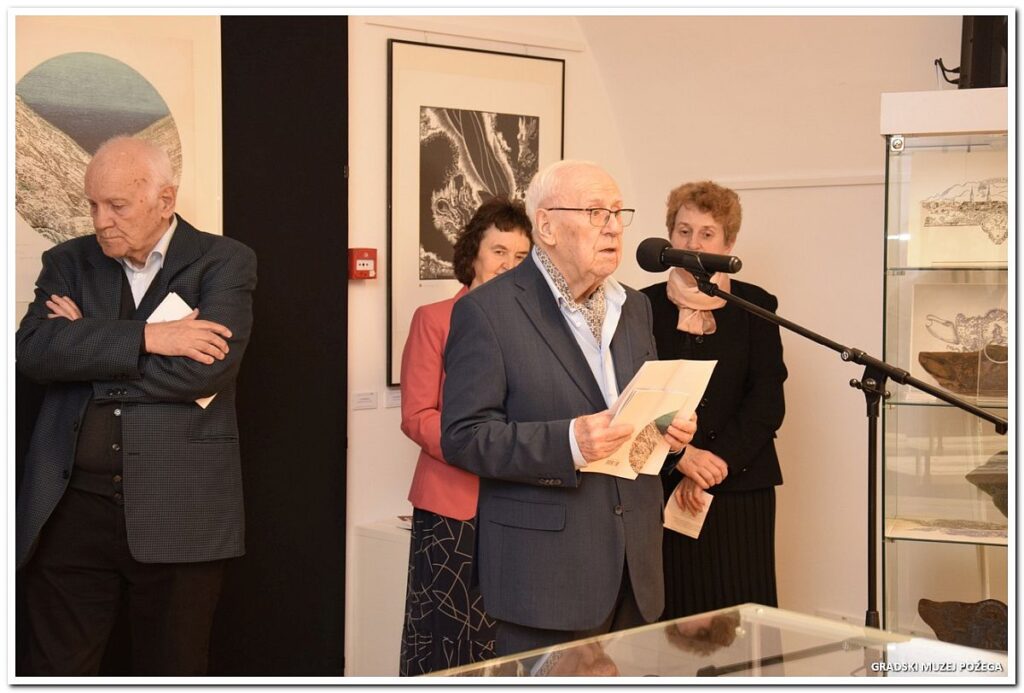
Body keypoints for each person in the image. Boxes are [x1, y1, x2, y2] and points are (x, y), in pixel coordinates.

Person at [15, 136, 257, 675]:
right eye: (93, 205)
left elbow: (206, 371)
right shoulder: (68, 262)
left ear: (165, 200)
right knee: (56, 671)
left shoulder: (224, 261)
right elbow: (32, 353)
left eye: (117, 205)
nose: (101, 221)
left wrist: (85, 348)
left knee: (172, 670)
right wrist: (151, 338)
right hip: (69, 511)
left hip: (180, 511)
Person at [440, 160, 697, 657]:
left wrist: (669, 434)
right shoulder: (487, 311)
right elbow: (464, 436)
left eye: (618, 213)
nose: (614, 227)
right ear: (547, 226)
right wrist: (568, 444)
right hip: (545, 575)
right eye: (596, 212)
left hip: (635, 567)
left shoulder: (634, 307)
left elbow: (635, 414)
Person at [640, 180, 786, 619]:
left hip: (740, 488)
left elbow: (767, 402)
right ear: (670, 237)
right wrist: (681, 458)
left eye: (707, 233)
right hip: (663, 487)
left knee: (742, 625)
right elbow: (634, 397)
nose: (693, 244)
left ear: (728, 243)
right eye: (683, 231)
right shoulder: (638, 308)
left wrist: (714, 463)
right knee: (671, 621)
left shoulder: (757, 306)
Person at [399, 197, 532, 675]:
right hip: (452, 510)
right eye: (499, 251)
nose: (509, 264)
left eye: (521, 256)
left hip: (519, 502)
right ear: (473, 253)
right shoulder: (434, 319)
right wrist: (485, 450)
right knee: (447, 640)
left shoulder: (533, 329)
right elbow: (417, 415)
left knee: (508, 642)